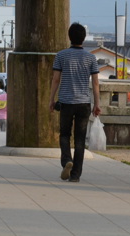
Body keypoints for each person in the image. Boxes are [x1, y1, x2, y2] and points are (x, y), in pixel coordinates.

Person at [49, 22, 101, 183]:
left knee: (64, 135)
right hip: (84, 103)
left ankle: (66, 161)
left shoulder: (61, 55)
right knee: (80, 139)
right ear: (84, 38)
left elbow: (56, 79)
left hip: (66, 102)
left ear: (69, 37)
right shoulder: (90, 57)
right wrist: (97, 104)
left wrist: (51, 99)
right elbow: (95, 83)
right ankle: (76, 175)